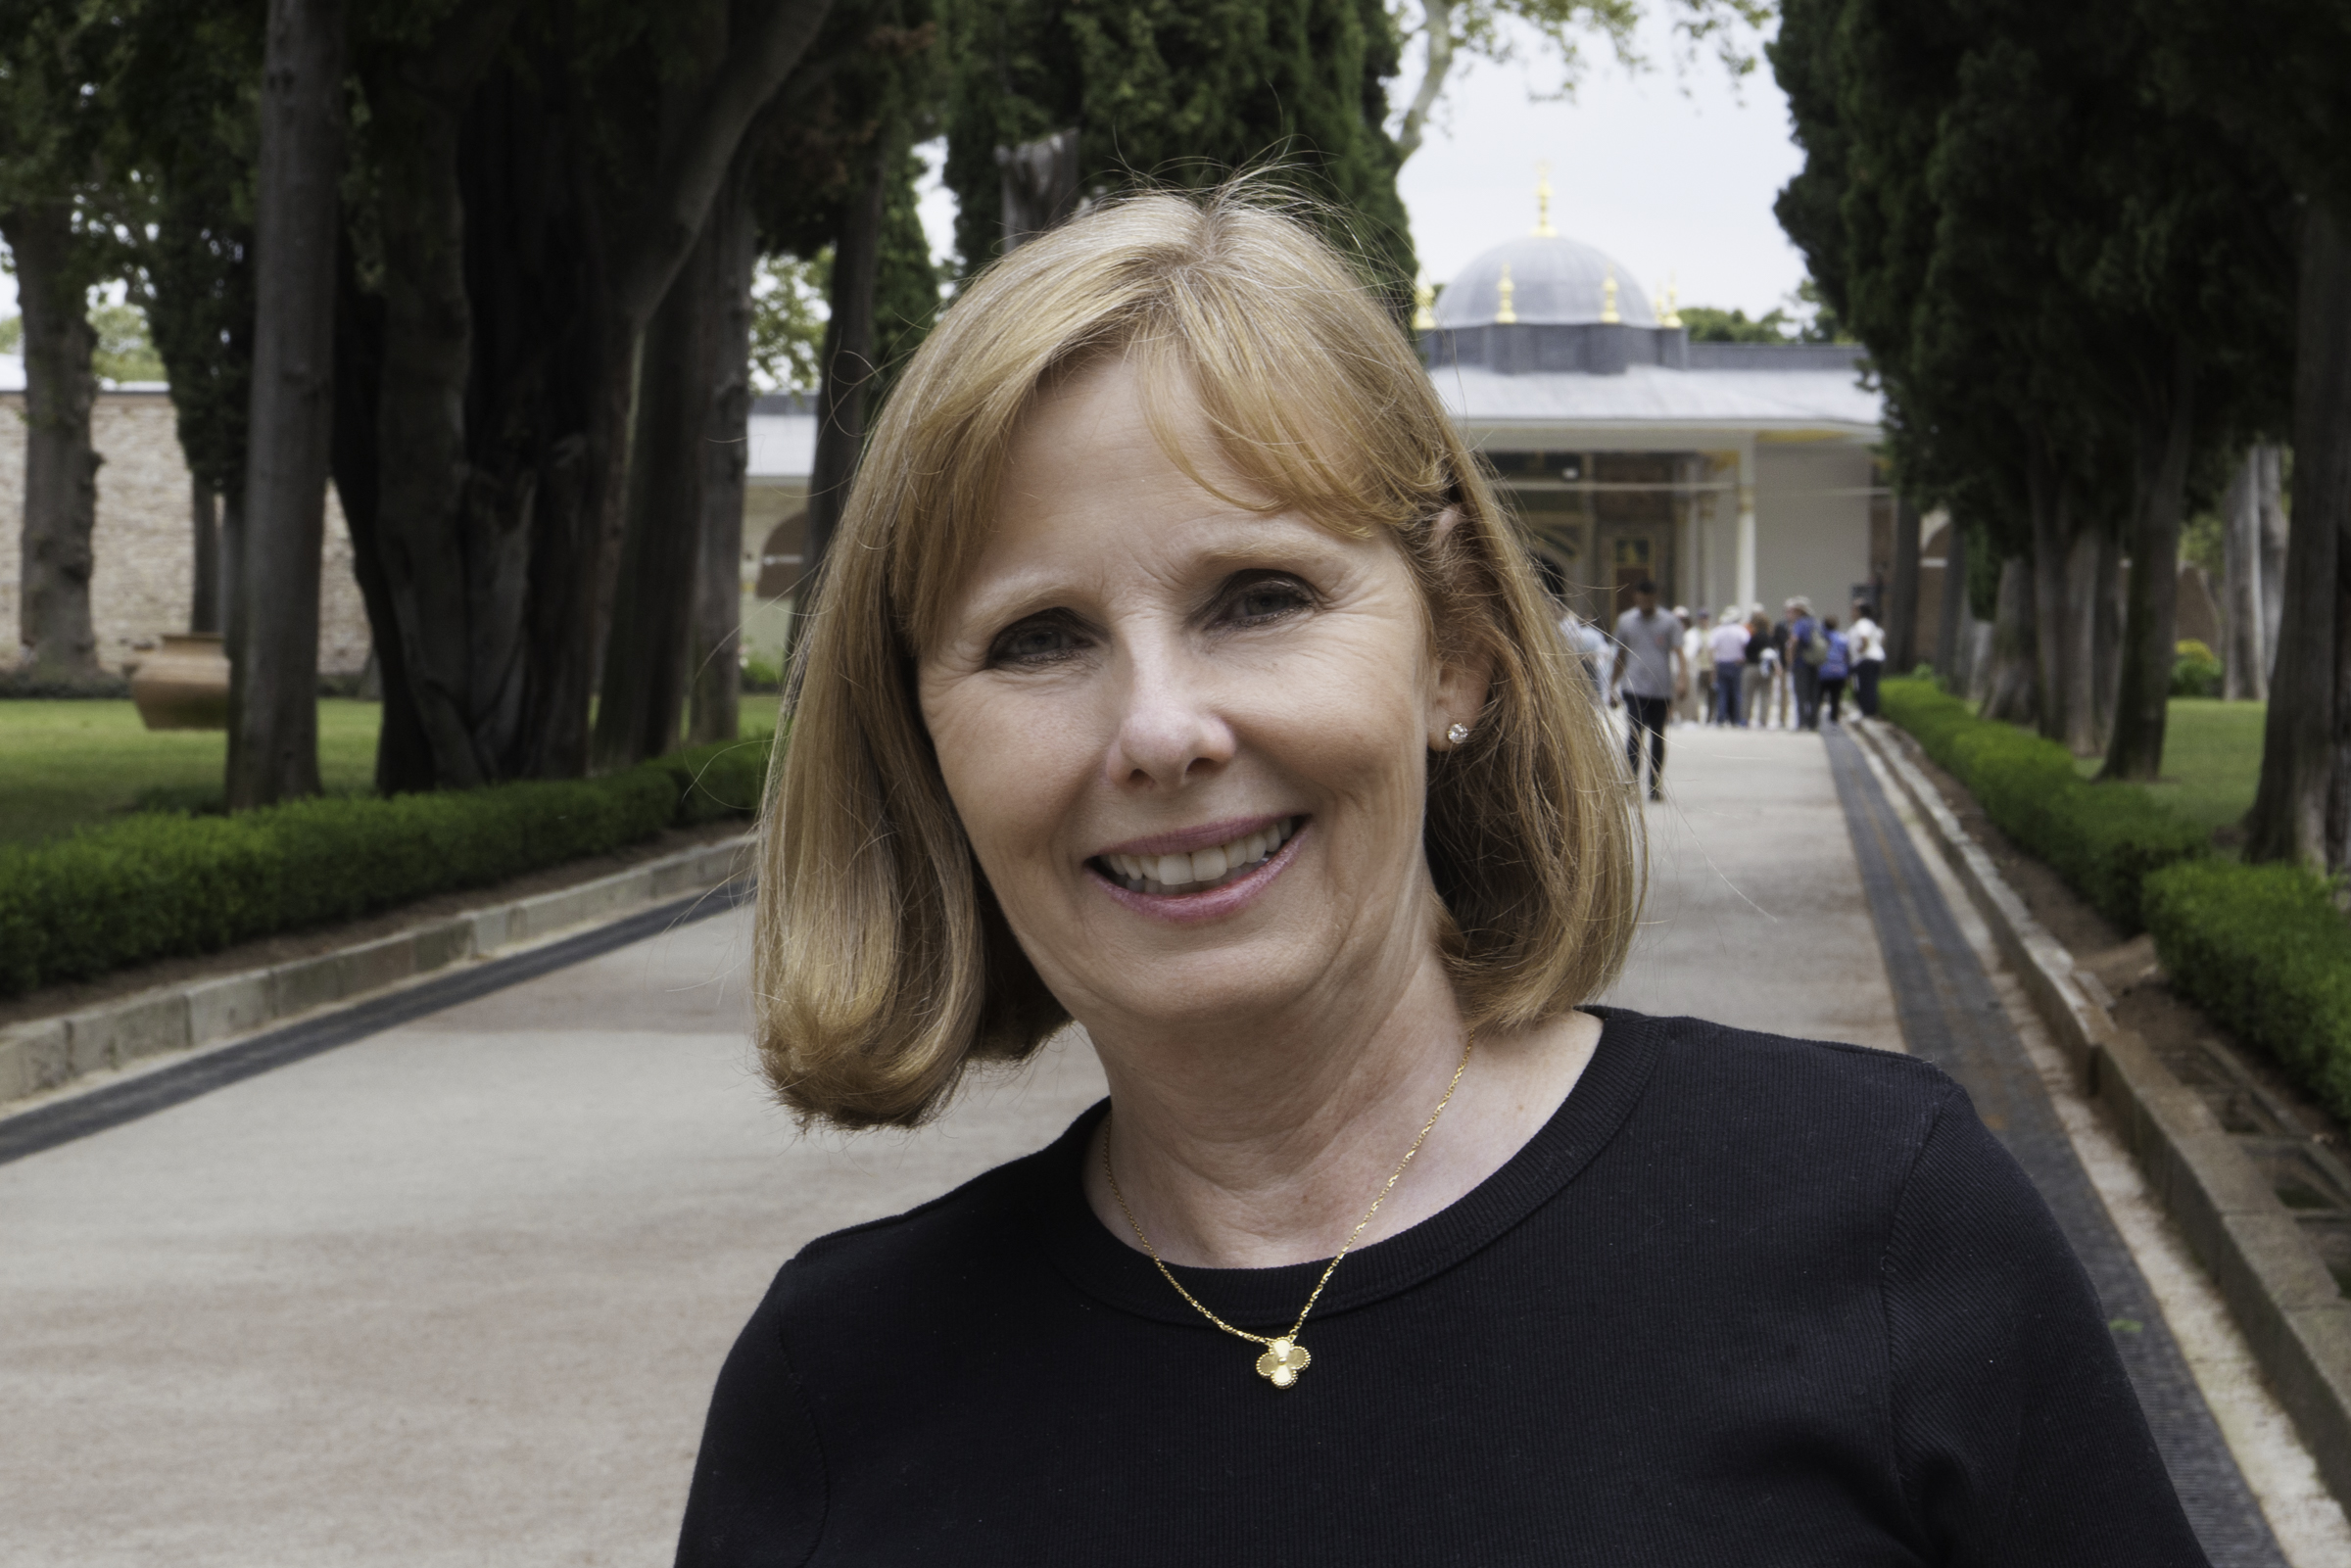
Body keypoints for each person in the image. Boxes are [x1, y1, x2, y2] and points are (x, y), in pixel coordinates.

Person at [674, 186, 2206, 1567]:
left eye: (1258, 596)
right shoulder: (840, 1380)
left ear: (1457, 652)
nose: (1158, 731)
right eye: (1037, 638)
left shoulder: (1884, 1227)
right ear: (924, 737)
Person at [1611, 580, 1683, 799]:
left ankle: (1655, 785)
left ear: (1656, 597)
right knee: (1634, 736)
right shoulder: (1625, 621)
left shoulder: (1669, 622)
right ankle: (1631, 784)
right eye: (1642, 599)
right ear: (1636, 598)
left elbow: (1679, 653)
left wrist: (1683, 680)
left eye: (1650, 599)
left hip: (1661, 689)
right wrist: (1611, 685)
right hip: (1634, 687)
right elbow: (1619, 656)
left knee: (1658, 738)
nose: (1645, 602)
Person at [1705, 609, 1750, 726]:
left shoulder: (1718, 631)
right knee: (1737, 692)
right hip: (1736, 664)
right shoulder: (1740, 630)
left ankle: (1720, 718)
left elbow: (1711, 649)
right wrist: (1744, 657)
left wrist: (1712, 665)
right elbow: (1746, 644)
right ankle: (1736, 718)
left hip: (1722, 663)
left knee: (1722, 693)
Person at [1788, 596, 1825, 731]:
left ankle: (1802, 722)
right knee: (1813, 694)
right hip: (1815, 663)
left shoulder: (1800, 623)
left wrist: (1791, 658)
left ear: (1799, 611)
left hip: (1801, 663)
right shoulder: (1815, 622)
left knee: (1801, 694)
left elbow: (1794, 640)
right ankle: (1813, 723)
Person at [1849, 600, 1887, 718]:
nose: (1852, 612)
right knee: (1871, 685)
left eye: (1854, 609)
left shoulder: (1862, 623)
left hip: (1865, 659)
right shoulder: (1872, 624)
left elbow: (1864, 637)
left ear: (1859, 612)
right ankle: (1870, 710)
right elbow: (1881, 637)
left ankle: (1866, 711)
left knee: (1863, 687)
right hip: (1875, 657)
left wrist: (1861, 649)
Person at [1817, 615, 1852, 725]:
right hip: (1839, 671)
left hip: (1823, 671)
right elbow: (1847, 655)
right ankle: (1834, 718)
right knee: (1836, 697)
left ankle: (1815, 718)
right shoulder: (1843, 638)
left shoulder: (1821, 637)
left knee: (1818, 696)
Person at [1741, 607, 1771, 728]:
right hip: (1766, 668)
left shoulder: (1753, 637)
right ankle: (1763, 720)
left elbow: (1747, 652)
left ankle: (1745, 719)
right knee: (1765, 695)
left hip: (1752, 667)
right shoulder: (1769, 637)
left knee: (1748, 695)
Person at [1678, 607, 1708, 727]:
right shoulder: (1679, 634)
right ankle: (1681, 717)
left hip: (1690, 670)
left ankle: (1691, 718)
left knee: (1691, 696)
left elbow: (1689, 653)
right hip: (1678, 669)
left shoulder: (1692, 634)